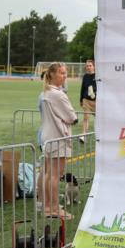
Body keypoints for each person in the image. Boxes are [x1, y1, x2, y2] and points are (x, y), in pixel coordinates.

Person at [39, 62, 77, 219]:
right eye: (62, 73)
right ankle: (54, 208)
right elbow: (72, 117)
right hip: (58, 137)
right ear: (53, 75)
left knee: (48, 173)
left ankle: (47, 206)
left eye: (65, 73)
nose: (65, 76)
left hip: (48, 136)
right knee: (54, 174)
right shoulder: (58, 94)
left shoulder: (44, 93)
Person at [79, 59, 97, 142]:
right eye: (87, 66)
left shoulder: (97, 76)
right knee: (86, 118)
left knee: (99, 119)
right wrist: (81, 100)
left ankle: (99, 135)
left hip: (96, 101)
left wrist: (93, 89)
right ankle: (83, 135)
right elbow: (82, 88)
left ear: (94, 66)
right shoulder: (85, 76)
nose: (88, 67)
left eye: (90, 65)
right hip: (86, 100)